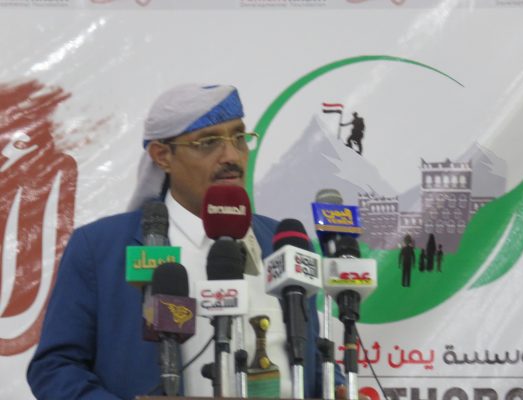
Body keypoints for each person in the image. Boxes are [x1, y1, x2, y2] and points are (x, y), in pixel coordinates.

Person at [27, 84, 345, 399]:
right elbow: (55, 368)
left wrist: (338, 387)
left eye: (239, 137)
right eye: (208, 142)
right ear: (163, 156)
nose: (231, 156)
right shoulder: (101, 249)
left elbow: (310, 357)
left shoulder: (282, 241)